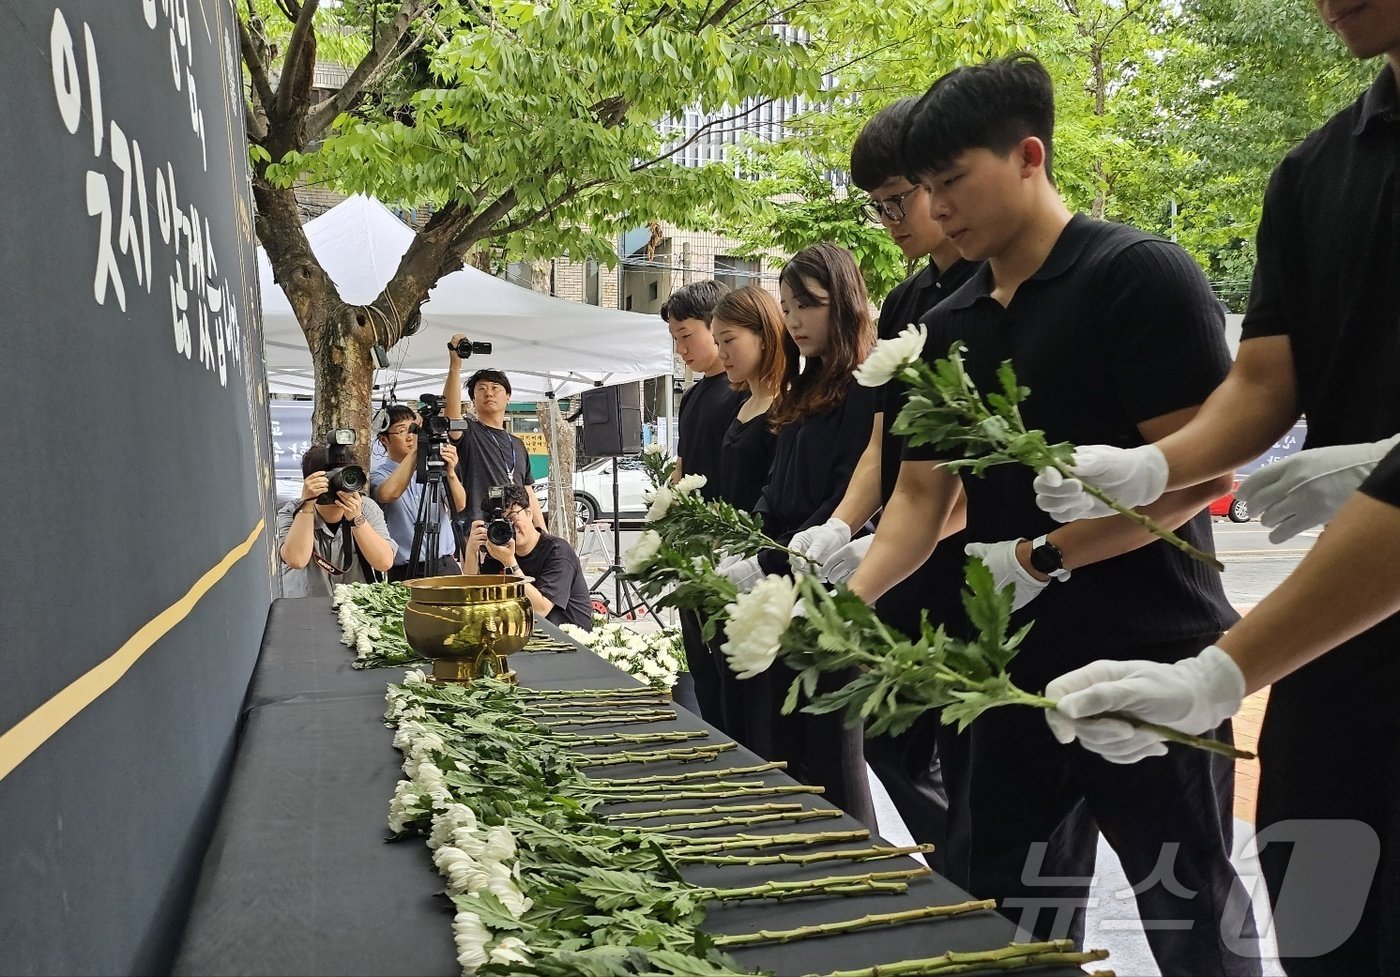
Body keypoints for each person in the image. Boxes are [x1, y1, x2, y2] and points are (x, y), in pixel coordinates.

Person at [844, 56, 1259, 974]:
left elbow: (1202, 470)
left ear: (1029, 155)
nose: (939, 207)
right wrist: (850, 591)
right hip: (1011, 672)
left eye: (954, 181)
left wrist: (1042, 556)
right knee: (1003, 907)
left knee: (1189, 906)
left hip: (1152, 657)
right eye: (927, 189)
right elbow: (921, 495)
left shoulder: (1138, 276)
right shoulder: (950, 323)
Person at [1034, 6, 1400, 969]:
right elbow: (1266, 377)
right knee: (1329, 916)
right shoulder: (1319, 171)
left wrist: (1213, 676)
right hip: (1349, 638)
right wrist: (1158, 465)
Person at [787, 97, 980, 865]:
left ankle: (965, 871)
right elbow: (889, 450)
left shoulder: (1008, 286)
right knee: (898, 742)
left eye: (902, 198)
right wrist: (843, 530)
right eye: (881, 208)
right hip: (907, 565)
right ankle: (955, 867)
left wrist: (865, 560)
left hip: (982, 574)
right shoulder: (910, 301)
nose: (898, 218)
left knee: (983, 785)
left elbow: (957, 482)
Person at [720, 243, 879, 829]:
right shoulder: (804, 386)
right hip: (782, 580)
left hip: (831, 590)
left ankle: (860, 867)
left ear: (844, 303)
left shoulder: (867, 385)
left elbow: (850, 491)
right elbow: (776, 485)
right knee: (783, 741)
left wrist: (782, 556)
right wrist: (753, 546)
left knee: (834, 752)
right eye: (787, 306)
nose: (794, 320)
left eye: (807, 305)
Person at [706, 285, 788, 748]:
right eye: (717, 343)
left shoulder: (786, 403)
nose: (722, 353)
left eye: (729, 339)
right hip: (729, 562)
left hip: (765, 566)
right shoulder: (742, 403)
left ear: (764, 333)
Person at [663, 280, 743, 730]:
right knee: (701, 662)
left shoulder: (743, 392)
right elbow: (683, 465)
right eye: (674, 339)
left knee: (731, 667)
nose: (681, 348)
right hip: (693, 548)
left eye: (686, 334)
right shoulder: (693, 396)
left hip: (731, 548)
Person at [441, 341, 544, 532]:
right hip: (479, 530)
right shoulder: (469, 430)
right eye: (481, 389)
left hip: (519, 530)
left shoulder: (518, 444)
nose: (488, 392)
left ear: (508, 397)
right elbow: (451, 416)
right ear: (473, 400)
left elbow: (527, 490)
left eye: (495, 388)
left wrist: (542, 532)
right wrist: (455, 366)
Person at [463, 485, 594, 630]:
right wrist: (471, 552)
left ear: (529, 513)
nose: (509, 526)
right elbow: (474, 598)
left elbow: (541, 609)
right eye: (499, 522)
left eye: (512, 517)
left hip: (566, 639)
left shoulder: (557, 551)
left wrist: (510, 563)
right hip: (524, 634)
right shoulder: (498, 550)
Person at [277, 444, 396, 596]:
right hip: (307, 608)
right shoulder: (293, 510)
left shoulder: (365, 507)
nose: (338, 485)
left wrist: (356, 518)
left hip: (354, 609)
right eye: (330, 479)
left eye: (346, 476)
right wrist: (307, 505)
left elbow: (384, 562)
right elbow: (297, 560)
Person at [370, 404, 465, 581]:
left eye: (414, 429)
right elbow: (388, 494)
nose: (410, 437)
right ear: (383, 439)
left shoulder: (434, 467)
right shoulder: (378, 474)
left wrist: (451, 472)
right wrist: (416, 450)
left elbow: (459, 505)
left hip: (445, 565)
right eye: (402, 431)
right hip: (406, 570)